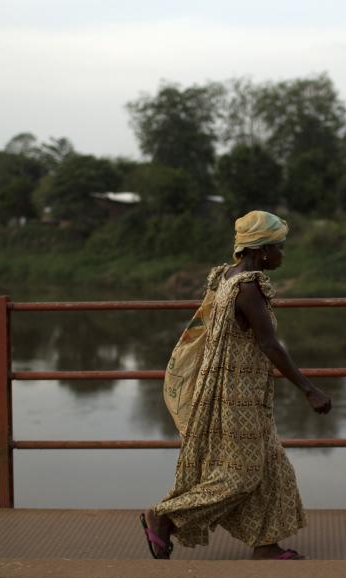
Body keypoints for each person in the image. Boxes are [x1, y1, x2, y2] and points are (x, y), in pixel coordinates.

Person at [140, 210, 332, 560]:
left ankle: (266, 546)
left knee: (274, 468)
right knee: (240, 475)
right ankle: (166, 518)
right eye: (279, 248)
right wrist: (309, 388)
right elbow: (269, 344)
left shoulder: (226, 276)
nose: (282, 255)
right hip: (237, 397)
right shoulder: (247, 288)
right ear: (261, 251)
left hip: (242, 391)